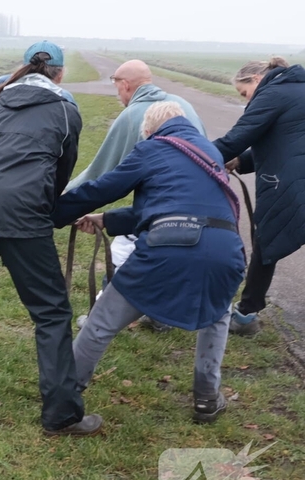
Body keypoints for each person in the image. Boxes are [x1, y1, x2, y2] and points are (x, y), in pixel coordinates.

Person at [0, 40, 101, 437]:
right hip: (22, 211)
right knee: (51, 310)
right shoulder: (66, 109)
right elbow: (62, 172)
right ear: (59, 73)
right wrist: (54, 211)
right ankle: (61, 414)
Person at [54, 102, 245, 423]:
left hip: (167, 249)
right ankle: (207, 399)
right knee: (217, 315)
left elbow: (102, 189)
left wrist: (51, 214)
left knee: (101, 321)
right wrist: (106, 221)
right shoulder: (209, 153)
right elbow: (173, 208)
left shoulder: (152, 148)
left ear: (148, 130)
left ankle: (64, 396)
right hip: (225, 249)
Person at [67, 60, 207, 332]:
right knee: (168, 253)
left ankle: (100, 316)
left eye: (117, 89)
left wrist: (61, 199)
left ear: (125, 85)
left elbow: (101, 172)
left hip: (161, 207)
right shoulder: (182, 105)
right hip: (201, 206)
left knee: (126, 253)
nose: (119, 96)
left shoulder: (133, 115)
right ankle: (162, 316)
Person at [213, 57, 305, 336]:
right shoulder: (297, 89)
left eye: (244, 93)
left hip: (290, 185)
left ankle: (245, 315)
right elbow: (283, 142)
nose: (246, 99)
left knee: (266, 244)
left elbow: (237, 138)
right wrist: (239, 162)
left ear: (256, 78)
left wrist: (191, 154)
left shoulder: (273, 93)